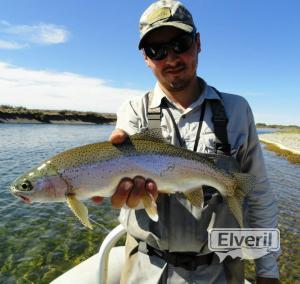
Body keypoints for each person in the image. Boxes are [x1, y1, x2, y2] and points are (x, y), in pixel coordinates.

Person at [106, 1, 279, 283]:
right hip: (146, 267)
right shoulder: (132, 111)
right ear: (146, 58)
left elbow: (259, 194)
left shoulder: (236, 110)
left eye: (181, 44)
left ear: (198, 43)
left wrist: (267, 270)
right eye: (157, 51)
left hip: (220, 269)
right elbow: (119, 149)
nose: (171, 58)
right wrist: (121, 189)